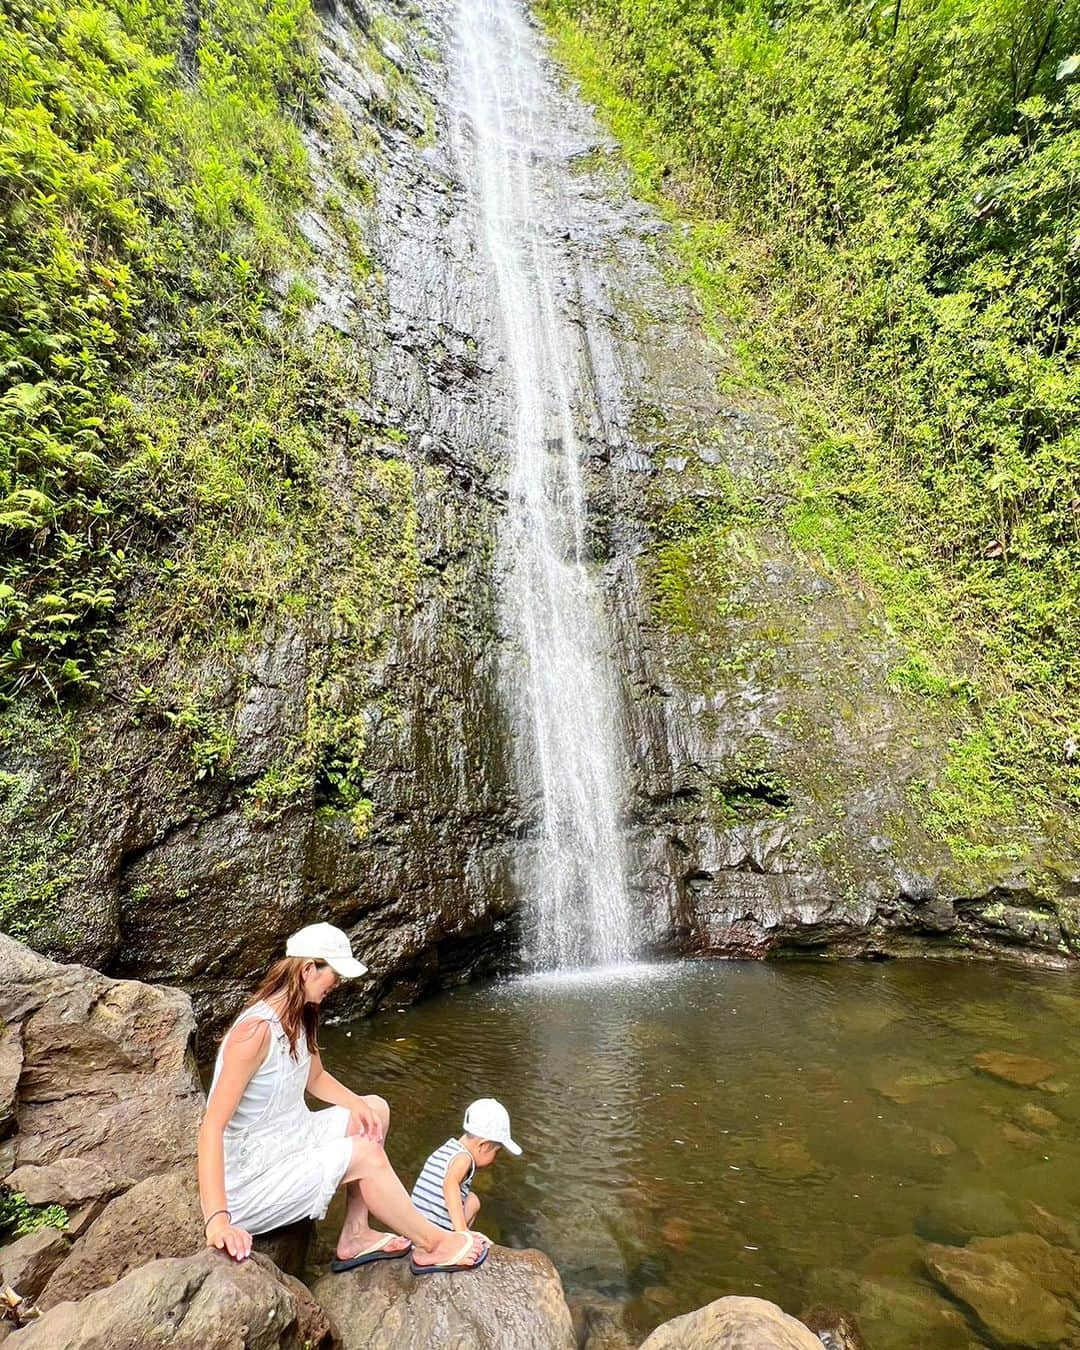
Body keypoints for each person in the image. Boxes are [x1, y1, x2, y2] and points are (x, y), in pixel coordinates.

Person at [197, 922, 489, 1275]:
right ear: (308, 969)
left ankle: (355, 1234)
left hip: (287, 1141)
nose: (336, 985)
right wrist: (218, 1220)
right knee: (364, 1154)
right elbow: (212, 1127)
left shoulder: (299, 1016)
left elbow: (314, 1077)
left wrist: (357, 1104)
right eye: (333, 975)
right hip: (249, 1179)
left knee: (374, 1112)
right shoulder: (254, 1033)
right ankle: (434, 1245)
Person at [409, 1097, 521, 1271]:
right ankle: (455, 1241)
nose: (495, 1159)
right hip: (433, 1234)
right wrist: (462, 1233)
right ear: (483, 1146)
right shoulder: (464, 1159)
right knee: (474, 1202)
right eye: (496, 1152)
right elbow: (449, 1185)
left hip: (413, 1228)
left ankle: (454, 1235)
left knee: (472, 1198)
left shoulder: (448, 1148)